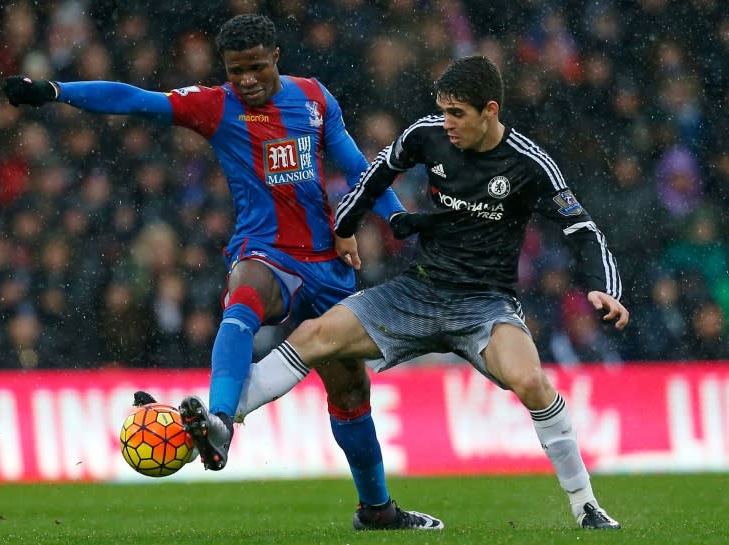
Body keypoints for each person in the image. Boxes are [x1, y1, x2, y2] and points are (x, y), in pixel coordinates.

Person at [3, 13, 441, 531]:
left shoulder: (315, 99)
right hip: (267, 252)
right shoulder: (216, 105)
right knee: (245, 293)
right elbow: (133, 99)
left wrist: (395, 218)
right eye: (236, 71)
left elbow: (356, 167)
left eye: (256, 67)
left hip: (327, 265)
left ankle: (377, 510)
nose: (247, 80)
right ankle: (218, 422)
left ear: (276, 57)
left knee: (350, 392)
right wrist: (55, 90)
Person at [231, 55, 629, 530]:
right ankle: (222, 416)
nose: (448, 123)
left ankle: (586, 505)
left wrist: (607, 289)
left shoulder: (528, 163)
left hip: (486, 304)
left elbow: (582, 228)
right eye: (444, 111)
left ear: (490, 110)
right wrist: (346, 226)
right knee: (315, 335)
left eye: (458, 113)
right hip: (418, 291)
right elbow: (376, 173)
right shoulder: (427, 134)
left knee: (531, 383)